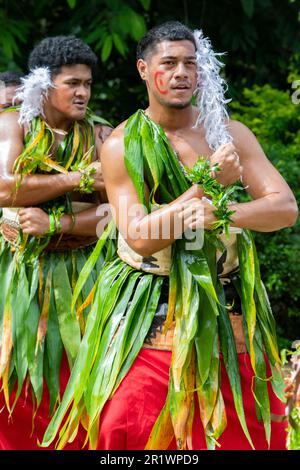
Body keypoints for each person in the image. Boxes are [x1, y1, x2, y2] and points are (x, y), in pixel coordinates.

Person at [41, 22, 298, 451]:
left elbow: (285, 209)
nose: (182, 73)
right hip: (149, 310)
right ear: (144, 70)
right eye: (169, 63)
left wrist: (223, 211)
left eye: (190, 63)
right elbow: (139, 236)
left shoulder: (228, 134)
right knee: (123, 426)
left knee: (248, 431)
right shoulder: (123, 144)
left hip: (226, 305)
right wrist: (204, 188)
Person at [0, 35, 112, 450]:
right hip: (18, 273)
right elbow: (2, 188)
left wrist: (58, 223)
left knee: (79, 376)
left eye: (87, 84)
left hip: (85, 276)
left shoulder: (102, 136)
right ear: (44, 83)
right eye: (72, 84)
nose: (83, 92)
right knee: (15, 378)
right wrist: (76, 179)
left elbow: (119, 217)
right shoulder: (15, 124)